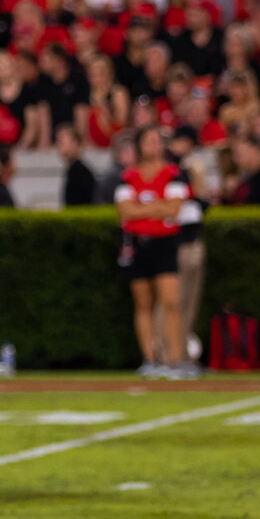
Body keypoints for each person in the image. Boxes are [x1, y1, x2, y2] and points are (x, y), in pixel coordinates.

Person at [114, 125, 196, 379]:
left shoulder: (174, 173)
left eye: (156, 140)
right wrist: (155, 208)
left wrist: (143, 208)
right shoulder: (128, 176)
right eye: (148, 141)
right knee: (143, 303)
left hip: (165, 243)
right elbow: (125, 211)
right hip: (138, 244)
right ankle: (149, 359)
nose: (153, 145)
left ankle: (175, 359)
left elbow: (173, 209)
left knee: (171, 301)